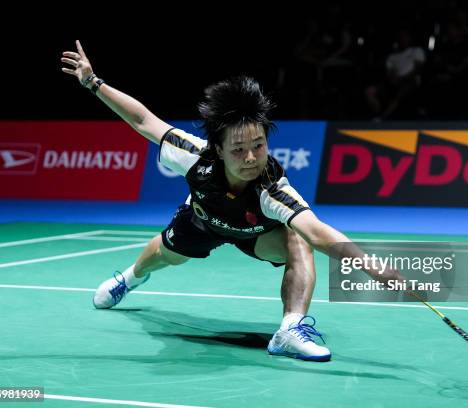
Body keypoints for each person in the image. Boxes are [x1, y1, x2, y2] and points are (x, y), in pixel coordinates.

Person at [61, 40, 401, 363]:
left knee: (297, 236)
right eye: (238, 149)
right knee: (162, 256)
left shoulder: (273, 188)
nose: (251, 157)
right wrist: (93, 82)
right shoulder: (194, 155)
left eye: (258, 145)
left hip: (257, 233)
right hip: (202, 219)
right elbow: (143, 120)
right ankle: (130, 279)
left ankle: (290, 330)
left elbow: (318, 231)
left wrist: (370, 265)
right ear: (219, 150)